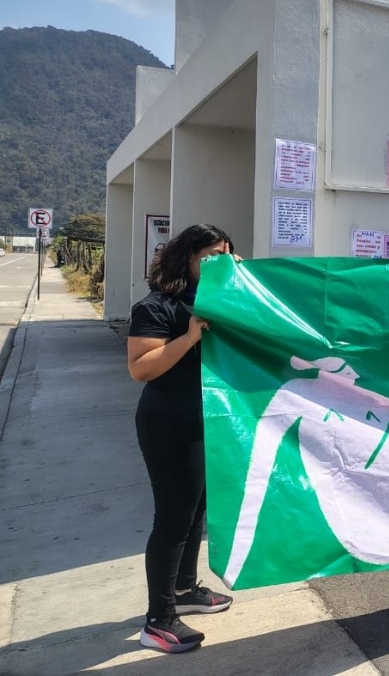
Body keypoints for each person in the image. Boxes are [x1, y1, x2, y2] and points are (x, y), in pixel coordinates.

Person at [127, 223, 237, 653]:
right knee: (173, 518)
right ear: (188, 257)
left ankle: (186, 590)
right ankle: (158, 620)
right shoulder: (157, 306)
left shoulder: (220, 301)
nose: (218, 262)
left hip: (209, 421)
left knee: (196, 512)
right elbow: (140, 368)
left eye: (226, 255)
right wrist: (189, 337)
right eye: (210, 255)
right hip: (169, 423)